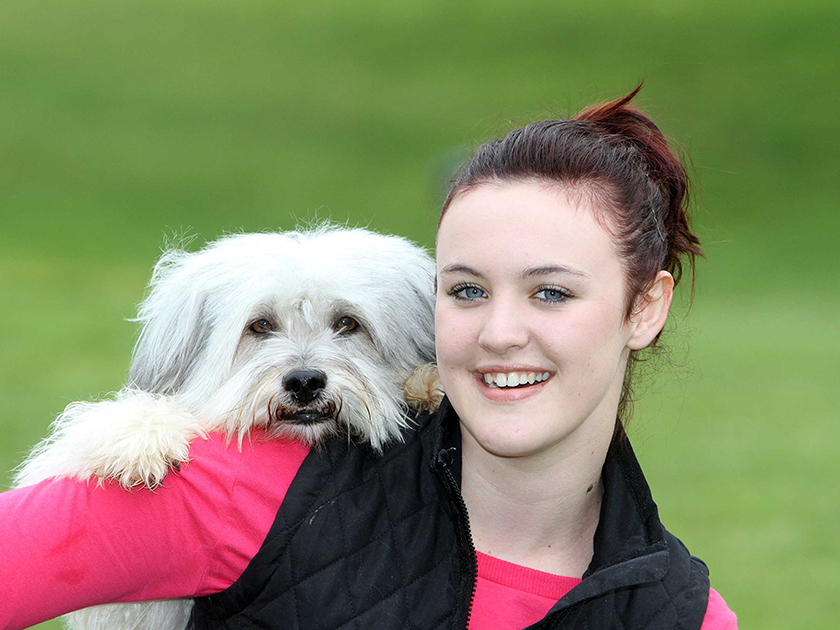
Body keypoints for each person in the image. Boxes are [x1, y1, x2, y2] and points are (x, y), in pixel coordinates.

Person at [0, 87, 736, 629]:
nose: (501, 332)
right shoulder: (245, 488)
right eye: (468, 291)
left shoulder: (684, 613)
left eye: (550, 294)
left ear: (645, 307)